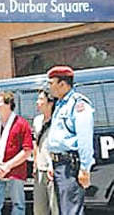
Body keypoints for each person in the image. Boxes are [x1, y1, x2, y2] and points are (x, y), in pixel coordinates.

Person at [47, 65, 94, 215]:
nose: (49, 87)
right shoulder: (60, 104)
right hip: (59, 164)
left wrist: (85, 168)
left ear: (62, 84)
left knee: (71, 210)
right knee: (64, 209)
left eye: (51, 83)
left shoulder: (78, 104)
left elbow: (85, 138)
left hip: (69, 165)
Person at [0, 91, 33, 215]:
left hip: (15, 172)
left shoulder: (22, 124)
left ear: (8, 104)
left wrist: (7, 166)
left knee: (18, 206)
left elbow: (27, 151)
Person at [33, 87, 59, 215]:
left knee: (56, 208)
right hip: (40, 169)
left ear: (50, 102)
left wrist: (52, 165)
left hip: (53, 169)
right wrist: (35, 161)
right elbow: (36, 142)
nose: (37, 102)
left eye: (41, 99)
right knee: (39, 209)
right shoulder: (37, 121)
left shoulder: (58, 121)